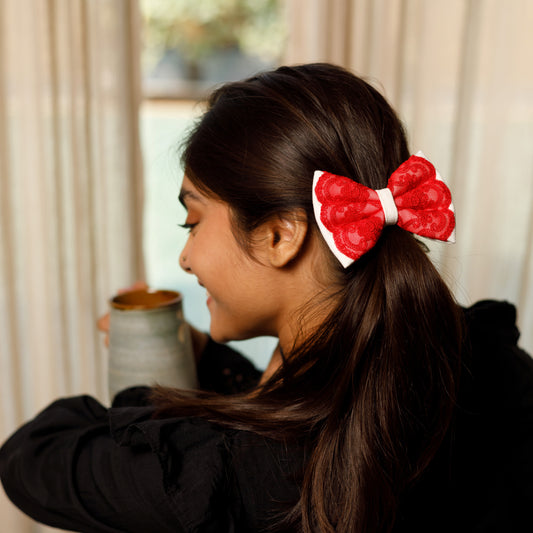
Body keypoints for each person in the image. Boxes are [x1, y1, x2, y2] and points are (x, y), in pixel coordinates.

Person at [1, 63, 532, 533]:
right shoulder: (481, 352)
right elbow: (306, 405)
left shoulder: (247, 477)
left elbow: (32, 456)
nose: (185, 259)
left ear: (281, 234)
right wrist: (205, 356)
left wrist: (152, 373)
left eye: (193, 221)